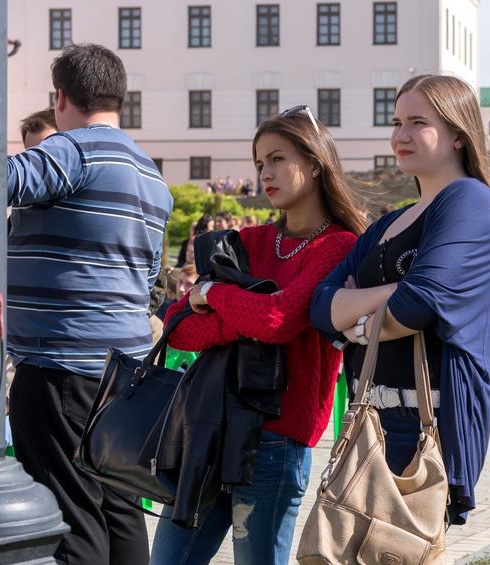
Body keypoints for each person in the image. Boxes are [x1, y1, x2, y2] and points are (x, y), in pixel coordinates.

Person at [150, 106, 362, 565]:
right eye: (259, 162)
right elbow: (179, 327)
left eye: (277, 159)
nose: (265, 173)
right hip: (211, 429)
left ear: (314, 161)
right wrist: (243, 309)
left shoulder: (340, 246)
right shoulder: (249, 242)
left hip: (276, 440)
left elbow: (278, 322)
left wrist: (214, 293)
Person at [310, 74, 490, 525]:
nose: (400, 135)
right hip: (368, 421)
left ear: (459, 134)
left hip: (424, 425)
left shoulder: (470, 201)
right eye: (396, 121)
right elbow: (321, 308)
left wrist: (358, 318)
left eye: (417, 122)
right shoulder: (390, 223)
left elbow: (419, 304)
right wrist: (389, 299)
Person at [5, 43, 173, 565]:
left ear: (61, 98)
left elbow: (3, 181)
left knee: (71, 514)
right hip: (122, 372)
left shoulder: (73, 150)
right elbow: (147, 278)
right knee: (119, 507)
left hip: (60, 367)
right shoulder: (152, 176)